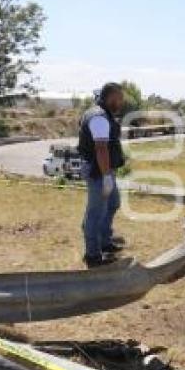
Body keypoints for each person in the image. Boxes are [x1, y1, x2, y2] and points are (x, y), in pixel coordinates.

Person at [78, 82, 126, 268]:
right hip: (99, 172)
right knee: (95, 213)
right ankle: (93, 255)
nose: (121, 103)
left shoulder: (103, 114)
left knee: (113, 203)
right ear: (111, 97)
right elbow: (101, 149)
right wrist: (106, 176)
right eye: (120, 99)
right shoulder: (99, 117)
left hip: (105, 170)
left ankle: (105, 242)